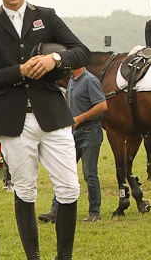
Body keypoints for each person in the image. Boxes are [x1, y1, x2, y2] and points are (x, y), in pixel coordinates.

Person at [0, 0, 99, 260]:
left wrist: (54, 59)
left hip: (52, 115)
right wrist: (19, 71)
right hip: (14, 118)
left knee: (70, 188)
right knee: (25, 191)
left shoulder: (47, 17)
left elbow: (83, 52)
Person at [39, 68, 108, 223]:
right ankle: (55, 210)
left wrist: (80, 118)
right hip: (74, 133)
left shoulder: (90, 80)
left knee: (90, 173)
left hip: (90, 131)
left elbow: (102, 106)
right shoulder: (72, 81)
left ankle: (94, 213)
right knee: (63, 171)